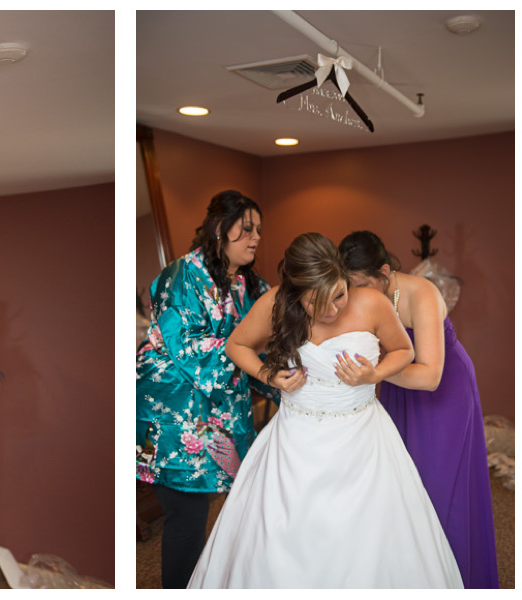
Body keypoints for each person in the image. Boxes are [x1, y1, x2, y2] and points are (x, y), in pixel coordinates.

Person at [189, 232, 461, 588]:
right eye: (319, 304)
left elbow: (404, 351)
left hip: (363, 438)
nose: (333, 311)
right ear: (296, 295)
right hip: (295, 440)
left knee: (372, 538)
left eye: (339, 295)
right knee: (281, 538)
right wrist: (270, 375)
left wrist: (374, 373)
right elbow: (236, 345)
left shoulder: (372, 303)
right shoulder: (275, 303)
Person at [338, 231, 498, 588]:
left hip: (444, 394)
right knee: (402, 487)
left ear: (383, 272)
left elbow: (429, 376)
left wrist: (373, 373)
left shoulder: (422, 293)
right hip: (397, 391)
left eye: (363, 285)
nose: (357, 295)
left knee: (440, 490)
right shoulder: (363, 295)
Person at [134, 190, 278, 588]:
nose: (255, 237)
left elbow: (270, 330)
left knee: (210, 509)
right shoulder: (180, 276)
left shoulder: (248, 283)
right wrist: (258, 362)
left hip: (215, 408)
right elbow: (192, 349)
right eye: (246, 229)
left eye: (259, 230)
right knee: (187, 516)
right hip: (172, 411)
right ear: (219, 229)